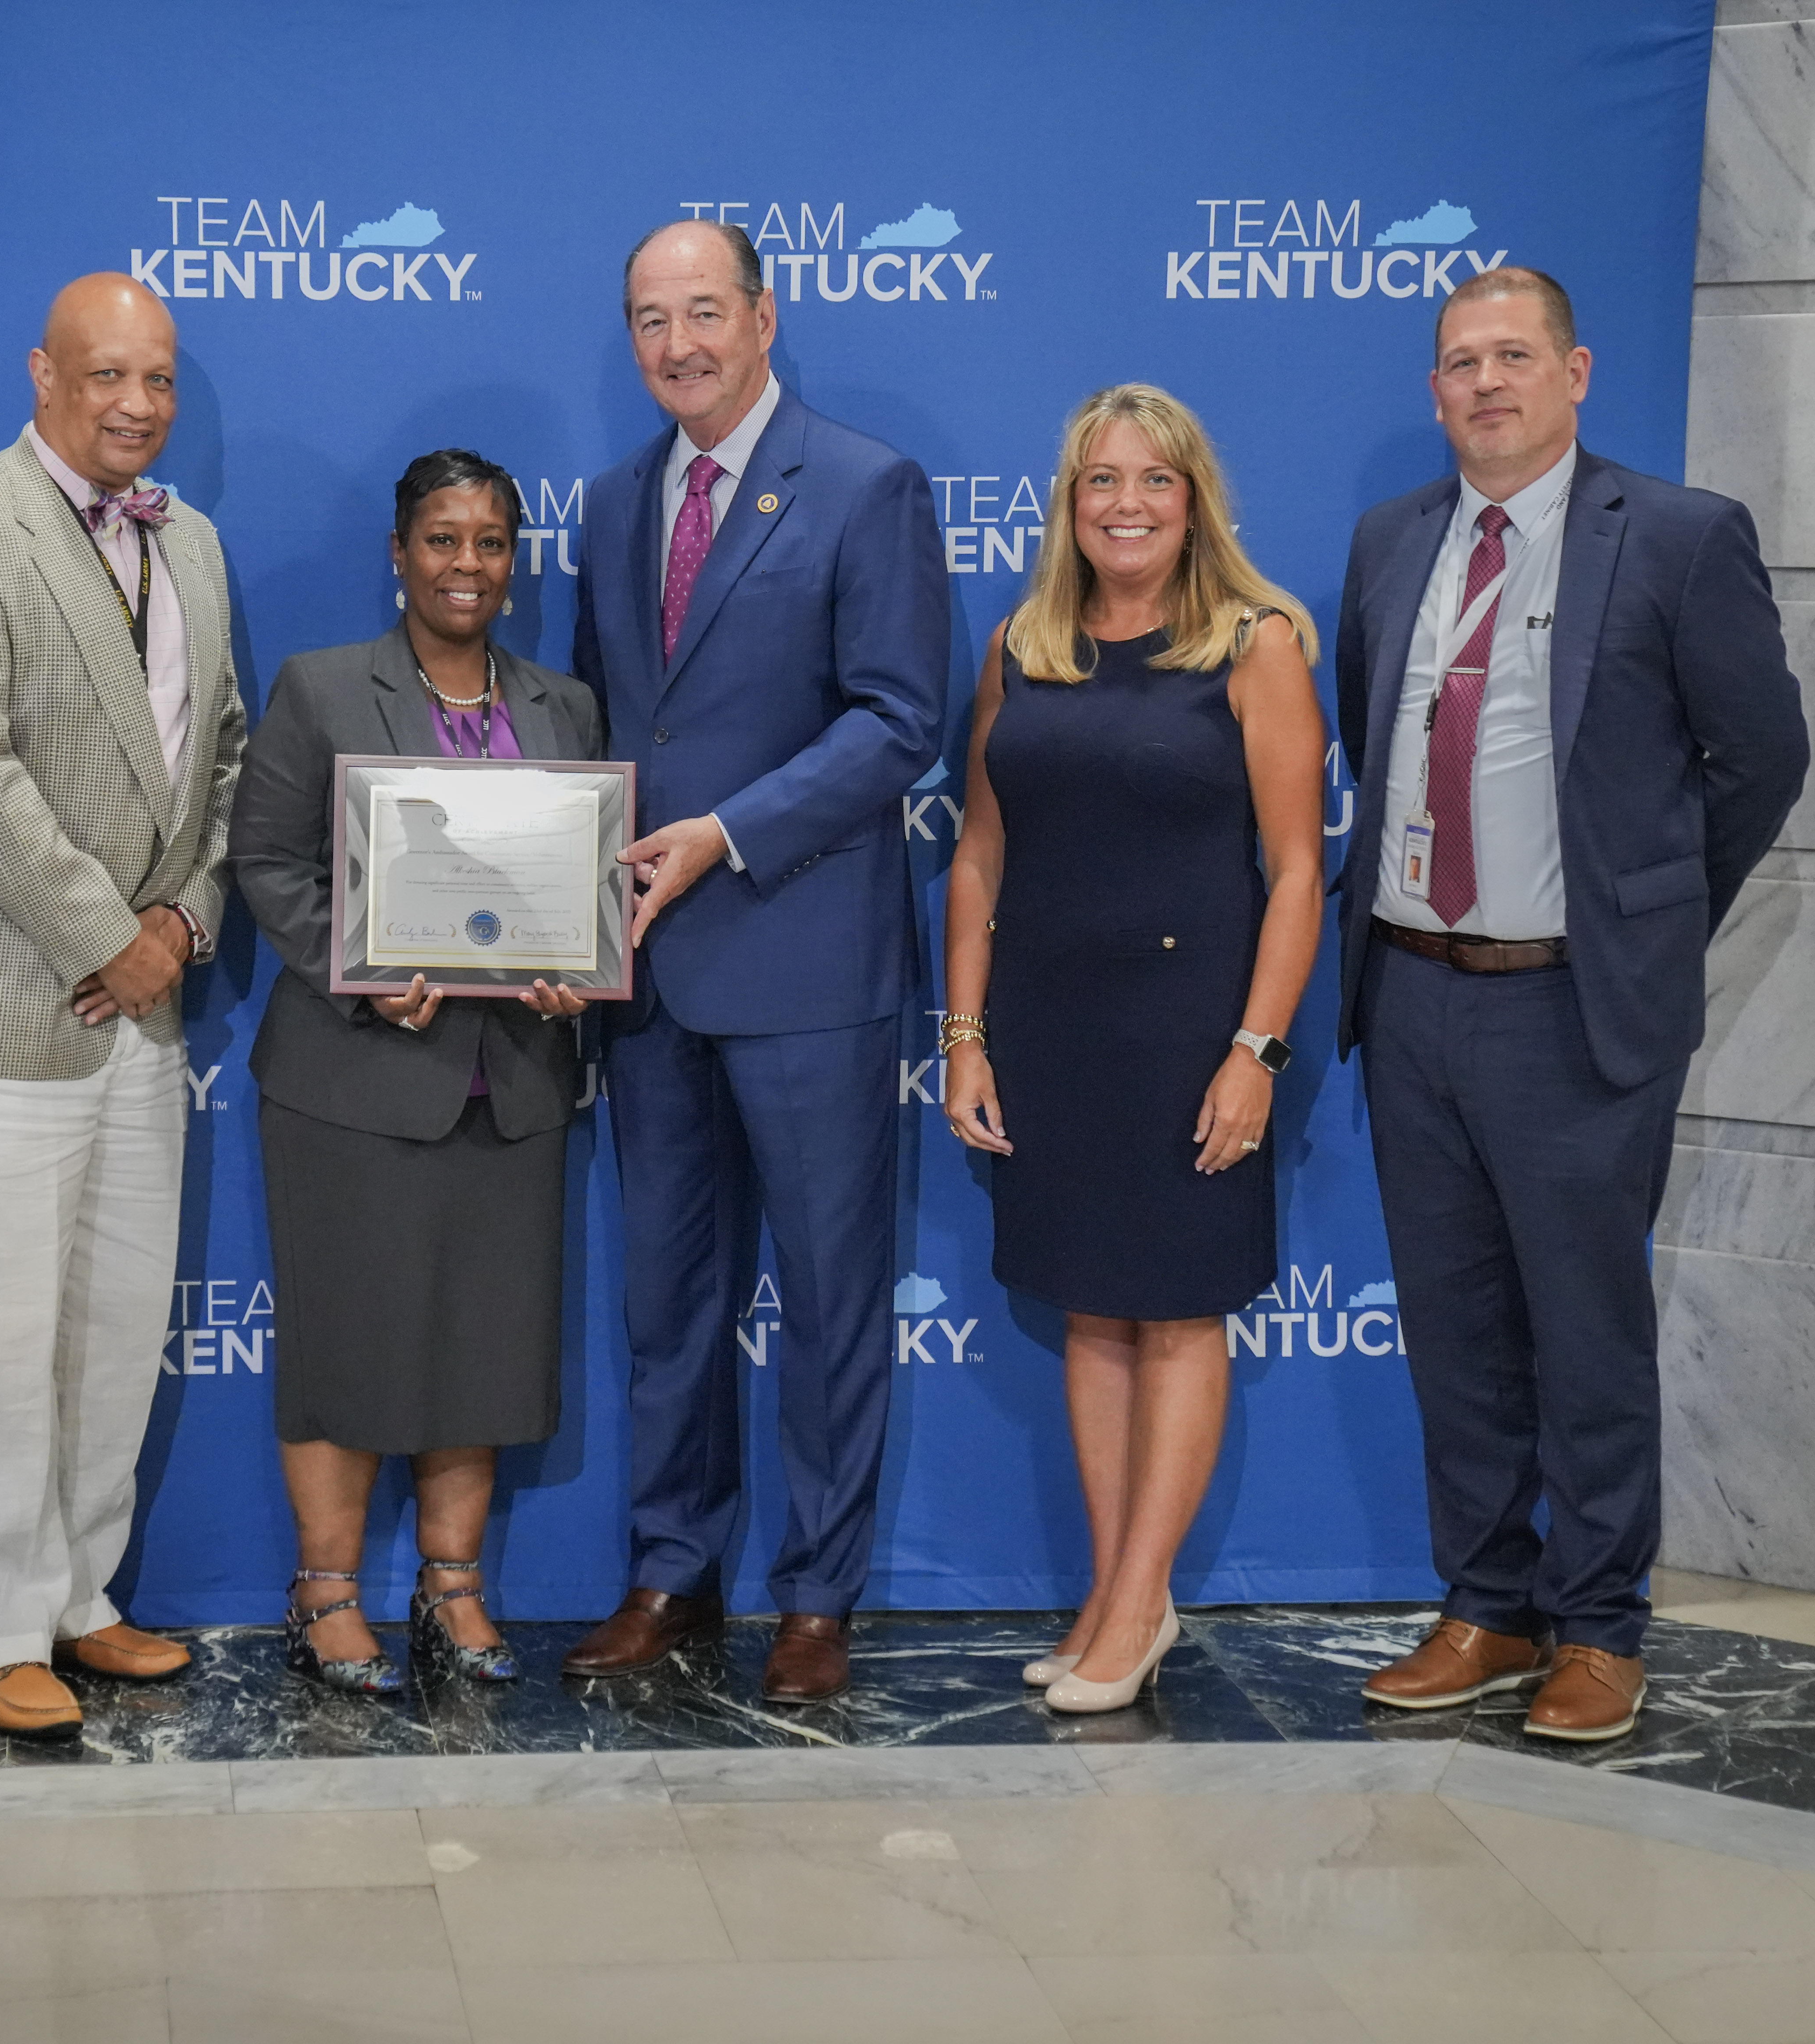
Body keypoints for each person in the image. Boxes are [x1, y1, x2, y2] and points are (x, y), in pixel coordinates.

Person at [1338, 268, 1806, 1742]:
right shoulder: (1390, 541)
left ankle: (1600, 1625)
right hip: (1411, 994)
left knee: (1587, 1330)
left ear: (1576, 370)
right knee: (1455, 1325)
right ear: (1434, 392)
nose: (1488, 382)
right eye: (1461, 362)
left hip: (1574, 1011)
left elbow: (1763, 759)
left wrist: (1635, 921)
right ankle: (1487, 1605)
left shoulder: (1676, 537)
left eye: (1515, 356)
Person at [562, 220, 948, 1704]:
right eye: (650, 318)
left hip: (806, 964)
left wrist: (728, 830)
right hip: (647, 976)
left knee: (833, 1295)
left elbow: (898, 719)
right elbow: (598, 727)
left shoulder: (865, 484)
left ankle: (818, 1593)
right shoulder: (608, 506)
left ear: (765, 317)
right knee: (668, 1299)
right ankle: (673, 1569)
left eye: (704, 311)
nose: (679, 344)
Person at [0, 274, 248, 1744]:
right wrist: (112, 932)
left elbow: (222, 750)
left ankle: (78, 1593)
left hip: (140, 1010)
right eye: (107, 375)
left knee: (107, 1319)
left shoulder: (196, 541)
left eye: (158, 378)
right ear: (43, 374)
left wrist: (186, 919)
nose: (137, 404)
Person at [941, 385, 1329, 1714]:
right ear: (1068, 502)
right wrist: (966, 1034)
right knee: (1092, 1315)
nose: (1125, 503)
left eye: (1153, 481)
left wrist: (1256, 1053)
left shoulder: (1256, 644)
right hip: (1052, 1031)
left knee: (1174, 1316)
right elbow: (979, 854)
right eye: (1101, 480)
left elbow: (1294, 872)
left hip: (1188, 1034)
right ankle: (1125, 1599)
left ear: (1195, 498)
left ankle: (1132, 1601)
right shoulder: (1021, 645)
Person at [226, 449, 601, 1693]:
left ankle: (455, 1589)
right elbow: (268, 861)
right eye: (443, 540)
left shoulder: (565, 707)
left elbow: (580, 894)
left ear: (516, 560)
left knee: (482, 1342)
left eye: (492, 542)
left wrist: (573, 970)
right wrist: (358, 962)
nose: (468, 565)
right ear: (398, 553)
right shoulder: (324, 688)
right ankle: (326, 1592)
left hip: (516, 1084)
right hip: (351, 1085)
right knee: (349, 1337)